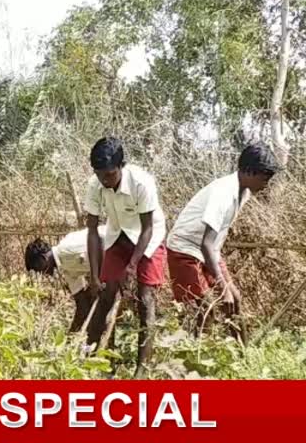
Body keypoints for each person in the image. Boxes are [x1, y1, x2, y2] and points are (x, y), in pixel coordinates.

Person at [166, 143, 277, 342]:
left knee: (235, 300)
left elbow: (211, 245)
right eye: (265, 177)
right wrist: (222, 286)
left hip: (210, 251)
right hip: (185, 248)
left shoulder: (244, 192)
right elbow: (205, 243)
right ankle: (197, 359)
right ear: (249, 172)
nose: (267, 183)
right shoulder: (223, 193)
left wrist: (227, 287)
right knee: (204, 308)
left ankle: (243, 354)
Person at [83, 137, 167, 378]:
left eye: (109, 175)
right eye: (99, 175)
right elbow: (91, 230)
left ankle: (141, 370)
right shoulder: (95, 184)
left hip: (147, 238)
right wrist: (95, 275)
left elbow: (148, 229)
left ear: (122, 166)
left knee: (145, 298)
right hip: (117, 236)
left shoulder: (142, 183)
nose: (104, 181)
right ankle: (94, 358)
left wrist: (132, 266)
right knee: (105, 293)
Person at [24, 226, 106, 333]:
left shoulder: (67, 248)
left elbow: (101, 242)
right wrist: (69, 337)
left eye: (38, 269)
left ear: (43, 259)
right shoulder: (66, 270)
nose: (42, 273)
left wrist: (97, 279)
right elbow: (82, 305)